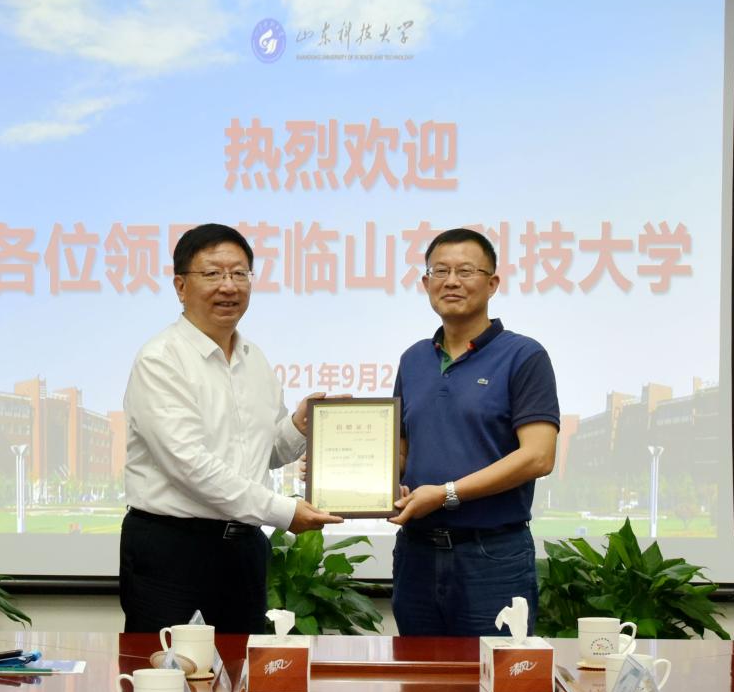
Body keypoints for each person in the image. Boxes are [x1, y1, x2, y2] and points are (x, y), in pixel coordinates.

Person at [120, 223, 342, 633]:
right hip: (174, 549)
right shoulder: (161, 359)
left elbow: (263, 453)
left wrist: (299, 426)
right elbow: (188, 465)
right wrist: (283, 511)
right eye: (213, 274)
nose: (228, 286)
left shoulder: (254, 359)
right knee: (168, 668)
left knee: (242, 665)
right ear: (181, 286)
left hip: (243, 549)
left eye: (239, 274)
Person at [389, 227, 560, 637]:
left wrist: (446, 493)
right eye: (440, 271)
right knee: (420, 675)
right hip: (416, 554)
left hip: (493, 556)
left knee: (496, 674)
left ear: (493, 283)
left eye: (465, 271)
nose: (451, 281)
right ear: (425, 283)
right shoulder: (413, 360)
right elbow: (402, 452)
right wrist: (340, 475)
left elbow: (538, 456)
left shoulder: (524, 355)